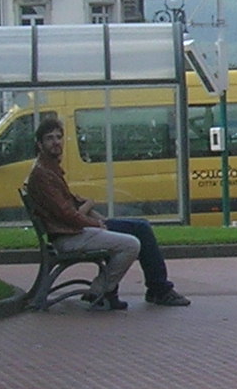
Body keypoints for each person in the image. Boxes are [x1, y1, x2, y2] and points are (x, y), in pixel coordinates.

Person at [21, 114, 190, 310]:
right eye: (50, 138)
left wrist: (95, 214)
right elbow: (66, 214)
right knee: (132, 243)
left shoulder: (49, 169)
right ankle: (104, 290)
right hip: (68, 235)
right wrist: (96, 223)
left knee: (141, 226)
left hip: (73, 230)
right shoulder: (42, 174)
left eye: (59, 137)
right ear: (39, 144)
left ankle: (154, 289)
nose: (56, 142)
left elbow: (70, 205)